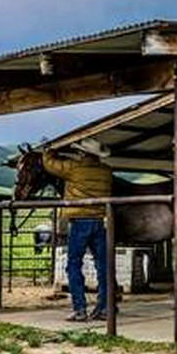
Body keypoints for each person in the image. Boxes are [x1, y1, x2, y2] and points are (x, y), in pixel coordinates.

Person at [42, 138, 114, 321]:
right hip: (101, 221)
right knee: (103, 266)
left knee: (73, 264)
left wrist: (49, 151)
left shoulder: (74, 168)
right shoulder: (106, 171)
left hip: (80, 221)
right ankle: (104, 307)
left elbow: (50, 165)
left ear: (82, 153)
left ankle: (80, 309)